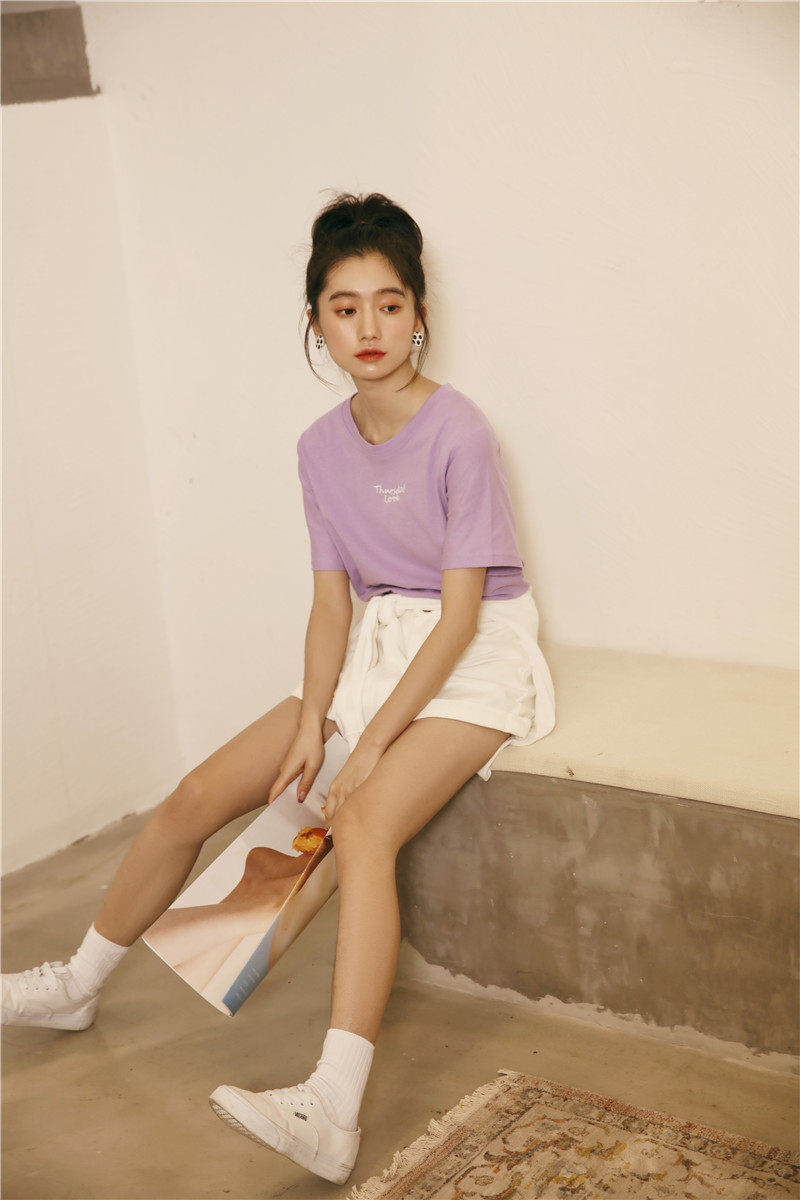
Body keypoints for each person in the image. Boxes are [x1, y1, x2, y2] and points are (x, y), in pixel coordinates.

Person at [1, 190, 556, 1186]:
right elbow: (331, 604)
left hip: (473, 654)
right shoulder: (317, 448)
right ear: (315, 322)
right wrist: (312, 721)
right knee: (198, 795)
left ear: (419, 312)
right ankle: (78, 983)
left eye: (389, 303)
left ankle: (332, 1108)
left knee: (365, 822)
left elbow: (461, 617)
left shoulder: (461, 432)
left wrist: (367, 748)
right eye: (345, 307)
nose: (368, 327)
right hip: (380, 646)